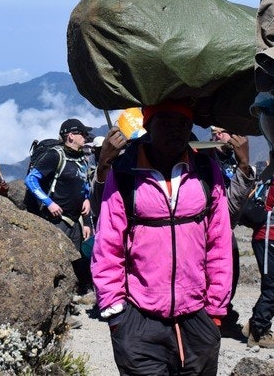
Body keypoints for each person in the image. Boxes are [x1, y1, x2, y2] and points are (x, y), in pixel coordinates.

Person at [92, 100, 233, 376]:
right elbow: (108, 244)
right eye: (165, 122)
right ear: (148, 126)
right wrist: (115, 312)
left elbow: (219, 241)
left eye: (183, 124)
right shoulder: (124, 174)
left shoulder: (206, 171)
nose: (175, 131)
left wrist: (215, 309)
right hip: (138, 319)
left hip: (198, 317)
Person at [25, 118, 94, 293]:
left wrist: (86, 219)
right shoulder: (55, 156)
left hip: (75, 220)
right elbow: (31, 180)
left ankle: (78, 293)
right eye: (82, 134)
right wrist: (49, 203)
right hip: (56, 220)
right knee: (57, 261)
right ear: (70, 136)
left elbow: (84, 187)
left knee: (76, 259)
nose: (85, 137)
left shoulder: (81, 159)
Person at [209, 125, 256, 339]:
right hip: (211, 230)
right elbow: (228, 207)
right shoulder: (207, 158)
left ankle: (223, 314)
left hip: (227, 230)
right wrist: (244, 165)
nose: (236, 137)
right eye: (230, 131)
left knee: (231, 274)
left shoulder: (230, 159)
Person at [243, 175, 274, 349]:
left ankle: (254, 324)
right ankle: (258, 333)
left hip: (271, 237)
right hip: (272, 237)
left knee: (272, 287)